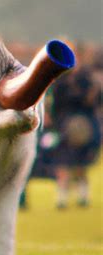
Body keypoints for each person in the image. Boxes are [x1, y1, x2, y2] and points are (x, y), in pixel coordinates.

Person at [50, 50, 101, 209]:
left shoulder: (86, 80)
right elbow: (55, 106)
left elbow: (94, 103)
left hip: (85, 126)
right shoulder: (60, 81)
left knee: (81, 166)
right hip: (63, 127)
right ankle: (61, 199)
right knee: (62, 164)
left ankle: (83, 196)